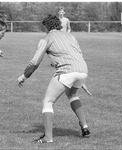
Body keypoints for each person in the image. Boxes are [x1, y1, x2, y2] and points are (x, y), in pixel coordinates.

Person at [18, 15, 90, 143]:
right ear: (58, 24)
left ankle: (48, 137)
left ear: (46, 26)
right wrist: (80, 78)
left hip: (67, 71)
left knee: (48, 101)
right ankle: (84, 126)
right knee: (71, 93)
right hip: (83, 70)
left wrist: (24, 76)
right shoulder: (70, 36)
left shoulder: (46, 38)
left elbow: (35, 62)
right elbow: (78, 55)